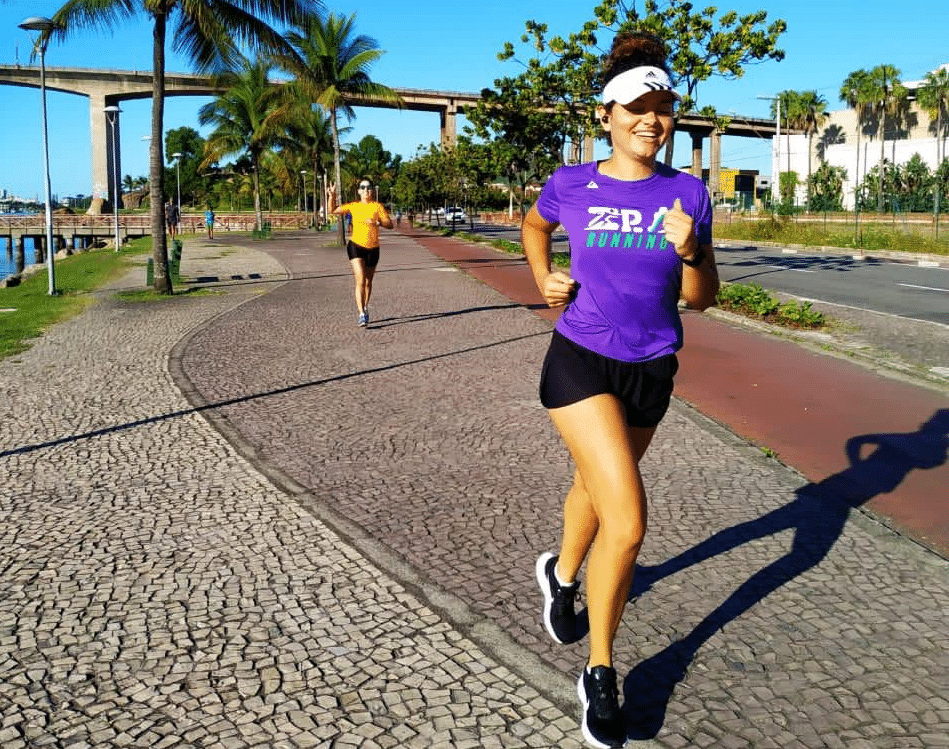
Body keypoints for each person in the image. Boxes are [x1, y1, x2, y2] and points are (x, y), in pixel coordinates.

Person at [521, 32, 720, 749]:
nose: (652, 118)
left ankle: (561, 572)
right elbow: (534, 224)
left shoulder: (687, 192)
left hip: (652, 367)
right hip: (577, 358)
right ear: (605, 114)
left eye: (663, 107)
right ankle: (601, 670)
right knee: (627, 521)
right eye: (637, 105)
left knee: (592, 482)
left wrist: (691, 248)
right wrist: (541, 275)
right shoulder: (571, 182)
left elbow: (702, 298)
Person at [328, 178, 393, 327]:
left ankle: (365, 306)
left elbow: (390, 224)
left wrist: (378, 222)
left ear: (372, 190)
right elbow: (333, 210)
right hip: (356, 246)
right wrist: (331, 196)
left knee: (368, 282)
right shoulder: (353, 206)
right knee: (360, 280)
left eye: (369, 187)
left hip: (373, 248)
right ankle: (361, 314)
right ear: (358, 191)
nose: (366, 190)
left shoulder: (377, 207)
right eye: (362, 187)